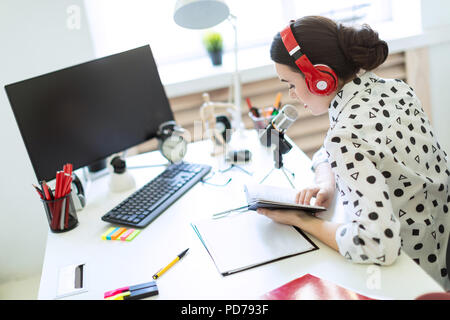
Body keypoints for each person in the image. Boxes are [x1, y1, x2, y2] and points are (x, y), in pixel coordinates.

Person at [257, 15, 450, 290]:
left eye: (289, 83)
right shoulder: (395, 90)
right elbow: (329, 152)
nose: (291, 95)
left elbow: (377, 244)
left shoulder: (346, 135)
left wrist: (301, 221)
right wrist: (326, 183)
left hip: (411, 280)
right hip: (439, 252)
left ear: (320, 79)